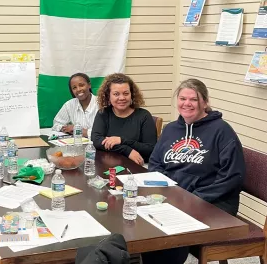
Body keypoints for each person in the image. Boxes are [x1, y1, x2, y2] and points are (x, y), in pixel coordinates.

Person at [143, 79, 246, 264]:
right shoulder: (171, 129)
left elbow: (232, 177)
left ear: (204, 102)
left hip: (214, 201)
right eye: (182, 98)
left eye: (193, 99)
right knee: (141, 217)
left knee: (171, 227)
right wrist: (169, 191)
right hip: (177, 196)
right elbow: (155, 163)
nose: (186, 104)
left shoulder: (221, 131)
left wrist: (194, 198)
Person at [91, 73, 157, 165]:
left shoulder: (144, 116)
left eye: (126, 93)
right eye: (116, 94)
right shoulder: (103, 113)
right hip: (108, 165)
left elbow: (151, 149)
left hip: (138, 167)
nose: (122, 98)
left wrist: (122, 140)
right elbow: (96, 141)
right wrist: (127, 150)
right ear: (108, 96)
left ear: (132, 95)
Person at [52, 73, 98, 138]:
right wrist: (67, 129)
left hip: (99, 146)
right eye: (74, 88)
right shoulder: (69, 105)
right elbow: (56, 124)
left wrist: (78, 130)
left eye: (81, 85)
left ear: (89, 85)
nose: (78, 89)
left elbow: (105, 132)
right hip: (77, 145)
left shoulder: (101, 103)